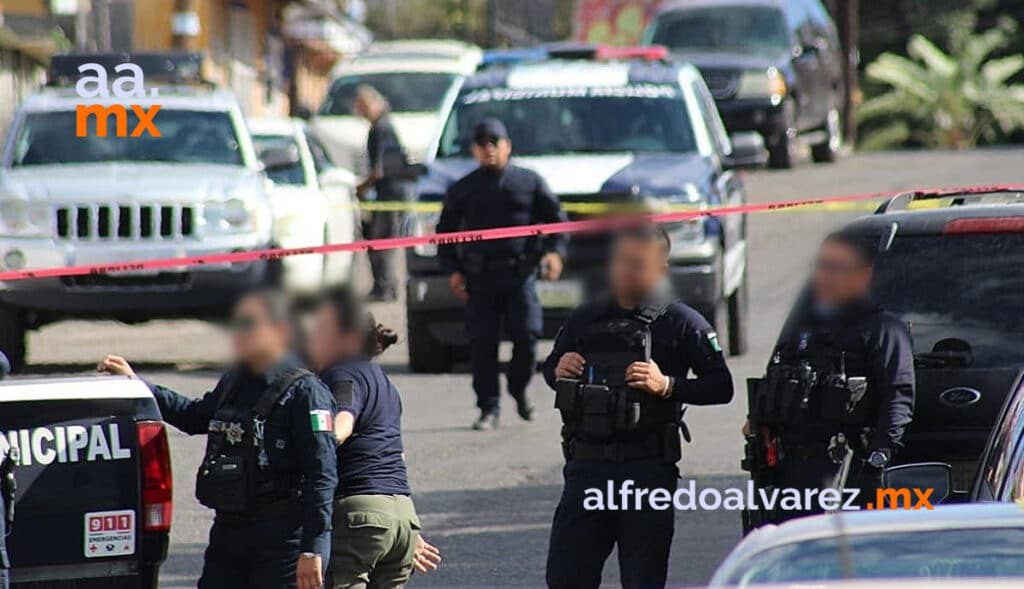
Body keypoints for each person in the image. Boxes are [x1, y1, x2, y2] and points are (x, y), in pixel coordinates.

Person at [98, 290, 338, 589]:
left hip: (282, 537)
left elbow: (322, 474)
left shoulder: (305, 392)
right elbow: (194, 416)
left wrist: (314, 548)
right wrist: (139, 386)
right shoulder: (235, 381)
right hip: (230, 530)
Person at [543, 226, 734, 589]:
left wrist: (668, 386)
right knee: (566, 578)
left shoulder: (681, 322)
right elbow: (551, 369)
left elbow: (721, 386)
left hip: (647, 472)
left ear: (660, 269)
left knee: (642, 580)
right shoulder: (586, 317)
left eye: (637, 263)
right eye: (620, 261)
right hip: (587, 470)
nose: (625, 271)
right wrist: (558, 368)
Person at [741, 230, 914, 530]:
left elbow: (898, 396)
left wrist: (878, 459)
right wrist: (757, 419)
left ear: (864, 274)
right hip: (790, 469)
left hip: (845, 466)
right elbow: (776, 375)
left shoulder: (883, 329)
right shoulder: (802, 326)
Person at [437, 117, 568, 431]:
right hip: (480, 280)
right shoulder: (463, 189)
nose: (489, 149)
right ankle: (488, 407)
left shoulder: (529, 182)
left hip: (519, 275)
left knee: (527, 336)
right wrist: (452, 271)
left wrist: (554, 253)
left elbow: (556, 222)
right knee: (482, 345)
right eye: (483, 144)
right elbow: (444, 234)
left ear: (508, 146)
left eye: (495, 143)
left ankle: (519, 387)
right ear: (474, 150)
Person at [305, 287, 441, 588]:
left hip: (359, 517)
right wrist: (408, 529)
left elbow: (342, 423)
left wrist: (309, 445)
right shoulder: (384, 383)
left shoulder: (342, 374)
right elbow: (396, 456)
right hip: (402, 517)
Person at [354, 84, 415, 302]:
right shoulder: (379, 127)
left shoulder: (382, 128)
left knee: (382, 240)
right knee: (379, 238)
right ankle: (384, 286)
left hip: (392, 193)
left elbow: (379, 170)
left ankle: (386, 288)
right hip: (388, 192)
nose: (359, 110)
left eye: (363, 105)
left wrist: (361, 188)